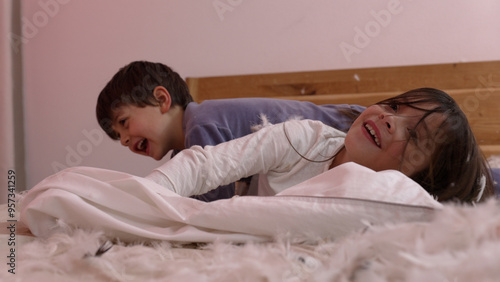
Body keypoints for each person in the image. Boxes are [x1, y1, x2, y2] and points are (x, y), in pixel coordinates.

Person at [145, 88, 496, 204]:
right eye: (393, 106)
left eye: (415, 136)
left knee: (485, 188)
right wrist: (145, 193)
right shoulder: (301, 139)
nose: (390, 119)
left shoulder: (399, 202)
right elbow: (206, 166)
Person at [95, 61, 365, 201]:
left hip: (348, 125)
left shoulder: (201, 123)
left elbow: (210, 204)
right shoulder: (186, 150)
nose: (124, 140)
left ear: (162, 100)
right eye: (118, 137)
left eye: (125, 123)